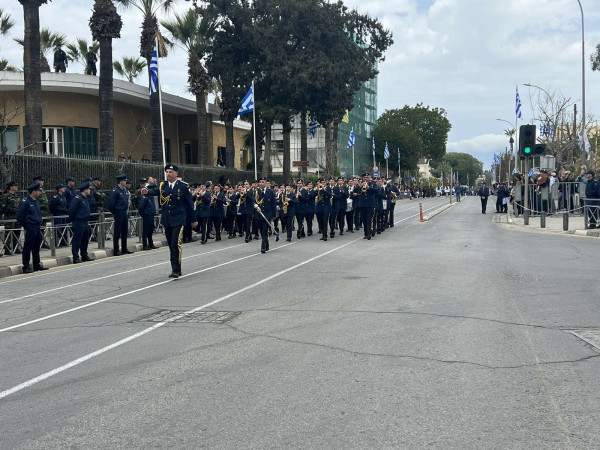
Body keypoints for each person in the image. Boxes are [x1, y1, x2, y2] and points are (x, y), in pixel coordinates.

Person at [143, 164, 197, 278]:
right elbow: (154, 191)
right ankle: (175, 267)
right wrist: (146, 192)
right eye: (167, 172)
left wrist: (193, 219)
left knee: (175, 243)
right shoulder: (163, 185)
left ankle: (176, 270)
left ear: (176, 174)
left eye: (171, 172)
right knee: (170, 244)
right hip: (167, 219)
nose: (168, 174)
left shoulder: (183, 186)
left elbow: (189, 204)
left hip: (179, 219)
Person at [16, 183, 48, 273]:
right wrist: (26, 225)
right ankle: (25, 266)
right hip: (30, 226)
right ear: (33, 191)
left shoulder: (36, 201)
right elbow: (20, 216)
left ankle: (36, 264)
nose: (39, 193)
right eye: (38, 191)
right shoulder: (25, 201)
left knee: (36, 246)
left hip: (37, 226)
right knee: (28, 247)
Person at [108, 174, 133, 256]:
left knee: (125, 231)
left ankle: (124, 248)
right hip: (118, 212)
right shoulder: (115, 191)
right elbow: (111, 204)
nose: (126, 182)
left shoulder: (124, 190)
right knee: (117, 232)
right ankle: (116, 250)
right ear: (121, 181)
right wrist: (115, 212)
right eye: (125, 180)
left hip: (124, 212)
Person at [69, 182, 92, 263]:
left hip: (85, 221)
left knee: (85, 239)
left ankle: (84, 255)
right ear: (85, 190)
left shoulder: (85, 198)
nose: (90, 190)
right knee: (77, 240)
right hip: (78, 221)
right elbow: (72, 211)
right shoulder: (77, 199)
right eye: (89, 189)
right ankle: (76, 257)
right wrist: (74, 221)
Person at [253, 177, 276, 253]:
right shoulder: (256, 192)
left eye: (263, 182)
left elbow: (273, 204)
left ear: (266, 183)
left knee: (265, 231)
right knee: (261, 231)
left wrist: (273, 215)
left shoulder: (271, 192)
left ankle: (263, 246)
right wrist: (256, 207)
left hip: (267, 215)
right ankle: (266, 243)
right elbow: (253, 202)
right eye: (260, 182)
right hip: (259, 214)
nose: (261, 183)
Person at [0, 181, 21, 255]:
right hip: (9, 217)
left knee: (17, 232)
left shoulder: (17, 195)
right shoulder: (6, 196)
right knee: (8, 234)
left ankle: (16, 247)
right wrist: (11, 210)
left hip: (17, 217)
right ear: (11, 187)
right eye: (15, 186)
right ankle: (7, 249)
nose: (17, 187)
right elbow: (3, 207)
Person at [138, 183, 157, 250]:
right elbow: (141, 208)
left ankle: (151, 244)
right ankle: (145, 245)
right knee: (146, 231)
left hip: (151, 215)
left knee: (150, 231)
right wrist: (144, 215)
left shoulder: (151, 197)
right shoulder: (145, 197)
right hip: (147, 216)